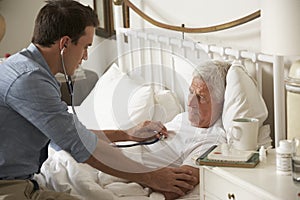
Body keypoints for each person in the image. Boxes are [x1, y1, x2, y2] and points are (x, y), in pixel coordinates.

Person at [0, 1, 195, 199]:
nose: (85, 57)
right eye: (85, 47)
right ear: (65, 43)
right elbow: (80, 145)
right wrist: (153, 177)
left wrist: (127, 134)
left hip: (22, 180)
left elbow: (67, 133)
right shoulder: (30, 81)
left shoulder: (22, 65)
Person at [117, 60, 231, 199]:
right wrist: (130, 135)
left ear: (220, 103)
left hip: (120, 174)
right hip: (113, 157)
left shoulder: (211, 141)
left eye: (201, 97)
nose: (190, 103)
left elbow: (178, 186)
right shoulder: (181, 118)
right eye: (190, 92)